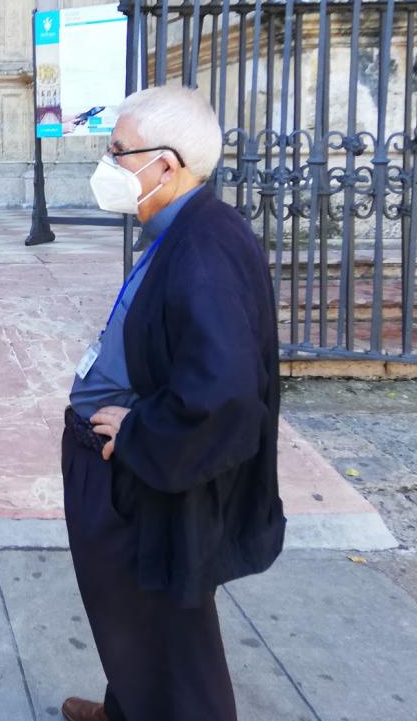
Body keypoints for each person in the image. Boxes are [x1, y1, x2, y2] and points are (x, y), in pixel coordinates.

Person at [60, 85, 285, 721]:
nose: (109, 165)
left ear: (165, 163)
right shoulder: (182, 227)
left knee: (168, 625)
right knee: (126, 606)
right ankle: (127, 704)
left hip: (146, 468)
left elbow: (225, 393)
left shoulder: (203, 250)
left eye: (118, 151)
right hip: (126, 459)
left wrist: (137, 432)